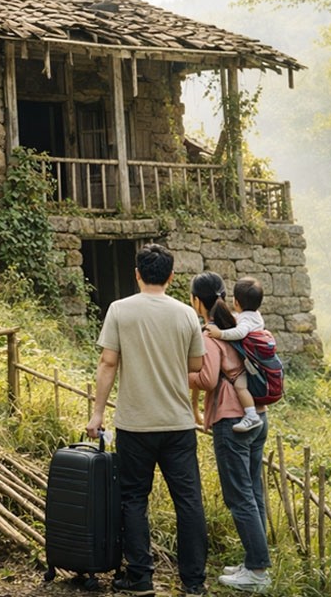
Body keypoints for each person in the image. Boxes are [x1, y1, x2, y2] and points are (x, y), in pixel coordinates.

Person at [86, 243, 207, 597]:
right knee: (188, 501)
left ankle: (140, 579)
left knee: (133, 499)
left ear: (137, 274)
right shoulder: (186, 314)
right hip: (178, 424)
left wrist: (97, 413)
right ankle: (194, 583)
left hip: (135, 425)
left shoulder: (120, 310)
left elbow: (108, 363)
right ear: (171, 276)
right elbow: (196, 366)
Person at [189, 272, 272, 593]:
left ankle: (258, 571)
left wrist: (183, 375)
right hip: (257, 416)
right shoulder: (241, 325)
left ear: (198, 301)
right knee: (252, 492)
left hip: (232, 421)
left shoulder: (213, 334)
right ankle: (254, 561)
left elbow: (208, 379)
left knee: (239, 497)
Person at [200, 277, 265, 433]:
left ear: (236, 302)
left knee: (240, 385)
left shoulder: (246, 321)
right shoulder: (255, 316)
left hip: (250, 364)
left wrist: (219, 333)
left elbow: (240, 332)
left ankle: (251, 416)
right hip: (256, 361)